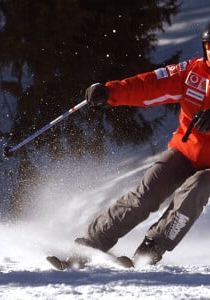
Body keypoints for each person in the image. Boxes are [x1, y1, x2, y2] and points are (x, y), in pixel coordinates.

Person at [75, 22, 210, 265]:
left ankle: (151, 248)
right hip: (186, 152)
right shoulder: (192, 73)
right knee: (147, 193)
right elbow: (150, 84)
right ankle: (91, 244)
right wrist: (110, 92)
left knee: (199, 184)